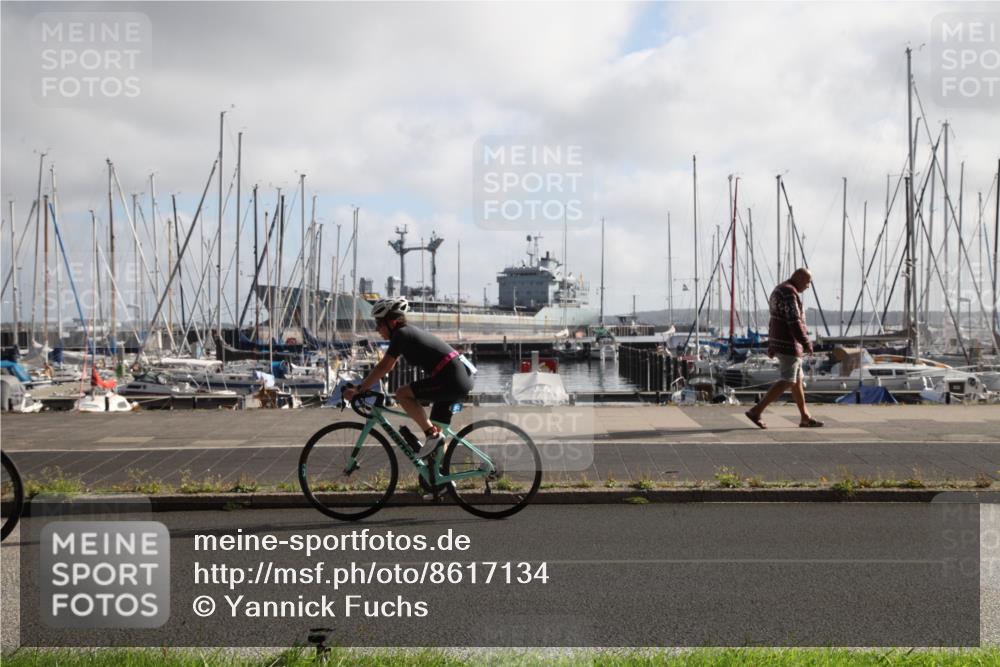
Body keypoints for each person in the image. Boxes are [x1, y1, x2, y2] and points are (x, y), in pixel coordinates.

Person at [343, 297, 475, 457]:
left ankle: (432, 436)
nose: (377, 329)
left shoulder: (402, 334)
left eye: (379, 324)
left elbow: (384, 366)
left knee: (402, 394)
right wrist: (364, 386)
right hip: (457, 377)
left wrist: (360, 389)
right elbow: (389, 366)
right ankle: (440, 467)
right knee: (436, 444)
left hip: (452, 379)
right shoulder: (405, 333)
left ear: (391, 322)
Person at [745, 268, 824, 429]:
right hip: (789, 343)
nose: (808, 286)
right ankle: (756, 411)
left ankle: (805, 417)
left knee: (797, 381)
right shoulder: (789, 292)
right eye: (808, 282)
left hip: (781, 341)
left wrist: (771, 343)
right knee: (788, 380)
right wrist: (806, 342)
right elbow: (794, 321)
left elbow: (774, 319)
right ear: (799, 278)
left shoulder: (778, 290)